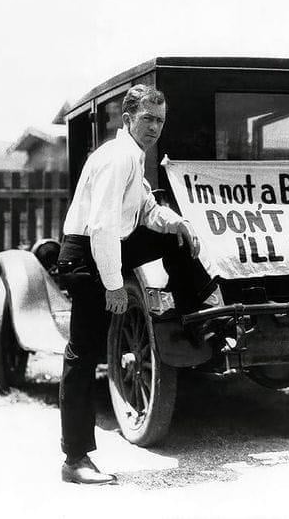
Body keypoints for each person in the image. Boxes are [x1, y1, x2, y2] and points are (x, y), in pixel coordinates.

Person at [56, 84, 216, 485]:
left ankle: (200, 312)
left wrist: (177, 222)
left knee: (174, 234)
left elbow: (145, 210)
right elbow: (103, 226)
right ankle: (75, 460)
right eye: (147, 119)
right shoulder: (117, 157)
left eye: (160, 120)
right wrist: (113, 286)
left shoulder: (134, 156)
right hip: (85, 255)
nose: (155, 127)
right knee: (83, 353)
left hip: (109, 247)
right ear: (127, 120)